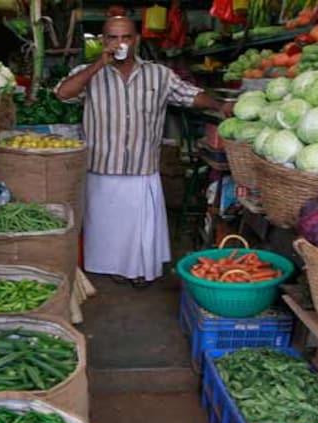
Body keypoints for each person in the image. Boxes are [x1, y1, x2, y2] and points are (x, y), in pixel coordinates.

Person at [55, 16, 232, 288]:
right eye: (112, 38)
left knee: (138, 230)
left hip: (141, 167)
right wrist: (99, 64)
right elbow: (62, 93)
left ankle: (138, 270)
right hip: (102, 165)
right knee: (107, 228)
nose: (119, 43)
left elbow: (189, 94)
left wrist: (220, 106)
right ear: (104, 42)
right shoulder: (88, 72)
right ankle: (112, 266)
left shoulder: (158, 74)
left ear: (136, 40)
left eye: (125, 37)